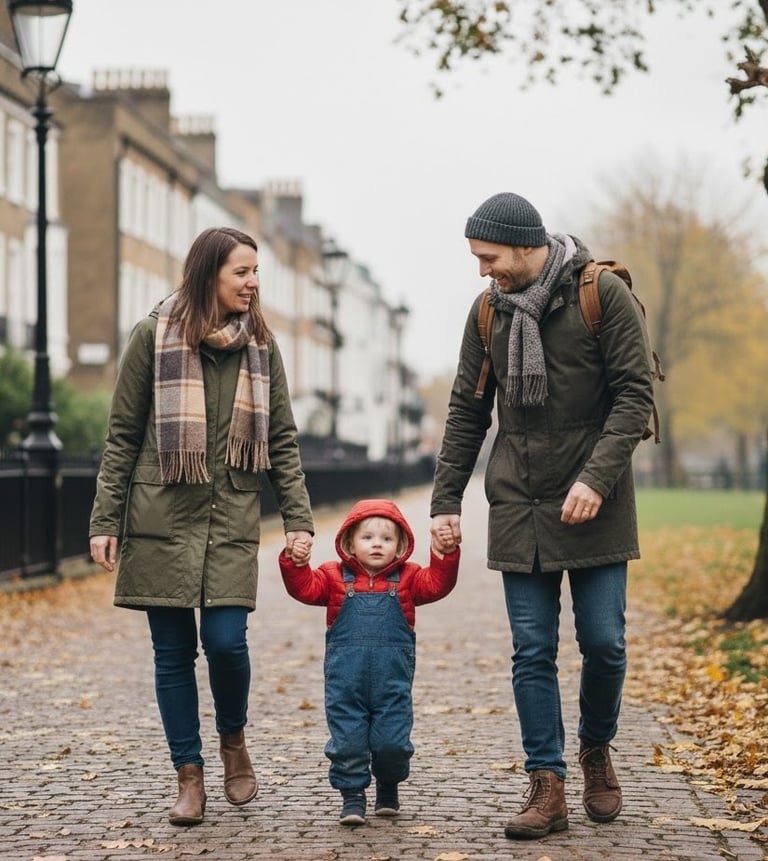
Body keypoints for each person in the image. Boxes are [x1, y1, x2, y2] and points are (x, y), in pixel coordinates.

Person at [430, 193, 654, 839]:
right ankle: (546, 782)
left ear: (525, 246)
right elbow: (467, 412)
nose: (482, 271)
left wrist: (595, 477)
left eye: (488, 257)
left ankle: (594, 747)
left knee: (605, 644)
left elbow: (634, 395)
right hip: (520, 502)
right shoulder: (486, 314)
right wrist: (446, 501)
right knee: (532, 650)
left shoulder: (600, 294)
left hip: (595, 503)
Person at [89, 226, 314, 827]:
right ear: (208, 272)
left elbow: (284, 442)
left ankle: (233, 738)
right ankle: (188, 775)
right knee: (171, 654)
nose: (253, 283)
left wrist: (298, 519)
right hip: (161, 514)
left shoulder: (260, 346)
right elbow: (122, 437)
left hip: (231, 516)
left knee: (225, 643)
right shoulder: (151, 336)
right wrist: (104, 519)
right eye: (242, 271)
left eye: (256, 271)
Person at [279, 499, 459, 826]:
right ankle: (352, 795)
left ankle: (388, 785)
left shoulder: (409, 578)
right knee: (348, 741)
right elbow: (304, 588)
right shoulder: (333, 578)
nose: (377, 543)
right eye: (368, 537)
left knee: (392, 742)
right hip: (345, 683)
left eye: (387, 539)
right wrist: (296, 563)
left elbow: (438, 584)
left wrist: (443, 554)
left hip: (392, 684)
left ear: (400, 545)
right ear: (349, 542)